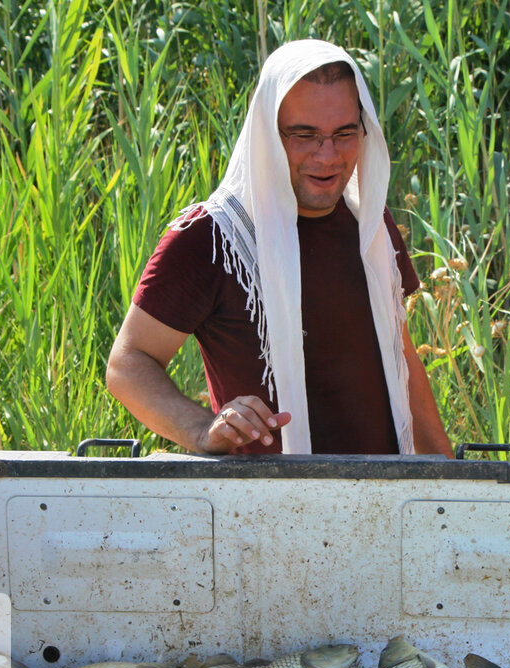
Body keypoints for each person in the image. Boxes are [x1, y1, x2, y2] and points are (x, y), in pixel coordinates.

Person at [107, 40, 451, 456]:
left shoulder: (371, 224)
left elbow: (401, 360)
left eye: (344, 133)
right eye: (304, 135)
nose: (327, 156)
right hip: (264, 509)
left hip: (385, 502)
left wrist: (445, 484)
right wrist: (201, 430)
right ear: (268, 135)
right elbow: (128, 363)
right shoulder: (212, 238)